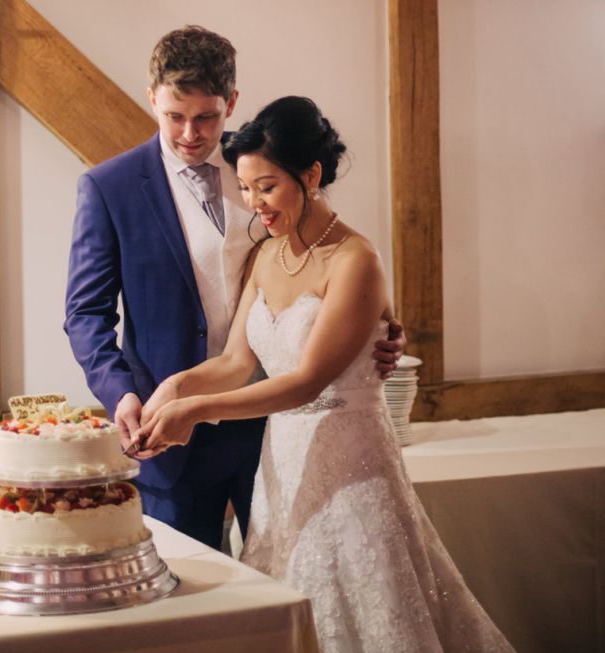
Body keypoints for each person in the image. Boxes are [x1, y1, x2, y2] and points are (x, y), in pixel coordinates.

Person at [133, 97, 551, 653]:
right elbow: (235, 363)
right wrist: (176, 387)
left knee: (377, 623)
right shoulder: (267, 252)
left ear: (311, 175)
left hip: (352, 468)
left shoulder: (356, 260)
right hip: (281, 467)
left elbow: (306, 381)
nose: (255, 204)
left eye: (267, 187)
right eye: (247, 188)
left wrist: (195, 412)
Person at [64, 26, 405, 551]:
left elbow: (329, 261)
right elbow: (85, 314)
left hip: (278, 423)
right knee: (187, 595)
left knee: (289, 573)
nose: (189, 133)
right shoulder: (108, 188)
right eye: (174, 115)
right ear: (152, 96)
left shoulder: (264, 163)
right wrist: (125, 394)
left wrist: (378, 328)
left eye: (207, 116)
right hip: (171, 433)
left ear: (232, 103)